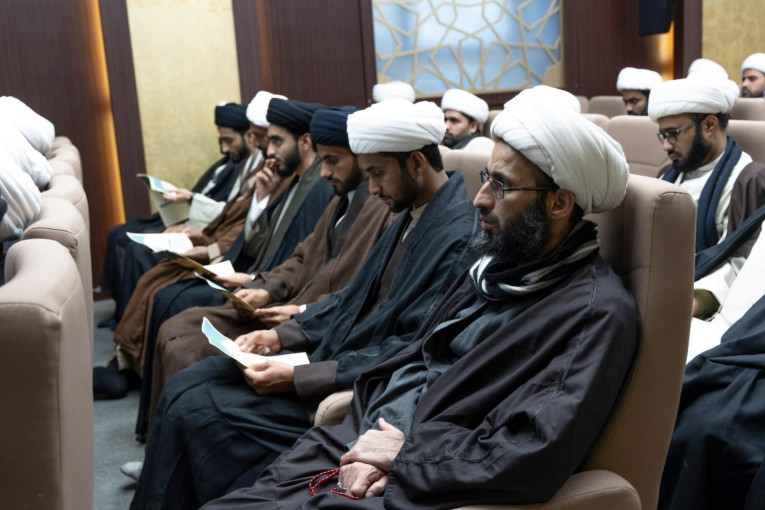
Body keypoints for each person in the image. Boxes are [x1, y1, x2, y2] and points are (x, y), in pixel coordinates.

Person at [198, 85, 638, 510]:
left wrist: (403, 455)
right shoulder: (496, 268)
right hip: (365, 438)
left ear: (559, 203)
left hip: (423, 482)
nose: (480, 199)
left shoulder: (594, 313)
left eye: (501, 186)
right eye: (486, 178)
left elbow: (531, 449)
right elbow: (417, 360)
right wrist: (378, 436)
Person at [129, 98, 479, 509]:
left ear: (416, 163)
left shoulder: (456, 235)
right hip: (330, 358)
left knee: (198, 409)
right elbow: (352, 296)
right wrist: (282, 336)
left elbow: (411, 347)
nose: (372, 188)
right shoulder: (411, 212)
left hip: (354, 385)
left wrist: (300, 375)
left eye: (377, 173)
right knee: (190, 380)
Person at [130, 105, 392, 442]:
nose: (325, 172)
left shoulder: (379, 206)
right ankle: (156, 437)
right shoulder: (341, 197)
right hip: (289, 306)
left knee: (188, 350)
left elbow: (363, 294)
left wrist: (299, 312)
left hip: (311, 322)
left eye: (332, 161)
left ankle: (170, 440)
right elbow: (301, 256)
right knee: (177, 322)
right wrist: (267, 288)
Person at [96, 99, 334, 400]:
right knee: (160, 280)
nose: (265, 149)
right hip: (259, 277)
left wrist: (255, 280)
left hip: (270, 288)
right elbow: (261, 240)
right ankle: (127, 364)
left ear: (305, 142)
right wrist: (260, 199)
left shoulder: (318, 188)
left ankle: (134, 371)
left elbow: (302, 260)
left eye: (273, 140)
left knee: (171, 301)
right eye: (262, 139)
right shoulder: (288, 177)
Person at [99, 102, 253, 325]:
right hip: (196, 223)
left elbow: (230, 214)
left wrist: (191, 202)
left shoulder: (251, 170)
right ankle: (122, 312)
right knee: (117, 232)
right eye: (221, 141)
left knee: (137, 250)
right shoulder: (230, 162)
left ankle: (129, 318)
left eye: (229, 141)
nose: (224, 149)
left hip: (206, 229)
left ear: (248, 136)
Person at [648, 75, 759, 319]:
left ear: (709, 126)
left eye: (673, 134)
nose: (666, 146)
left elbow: (743, 260)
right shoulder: (667, 174)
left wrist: (698, 301)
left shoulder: (749, 181)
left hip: (709, 304)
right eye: (663, 136)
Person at [440, 88, 495, 153]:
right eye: (445, 120)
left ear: (473, 127)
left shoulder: (481, 146)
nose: (446, 126)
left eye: (454, 121)